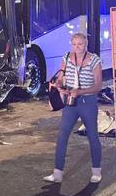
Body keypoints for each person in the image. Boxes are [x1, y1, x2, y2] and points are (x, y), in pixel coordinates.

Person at [44, 32, 104, 183]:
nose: (77, 47)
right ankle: (57, 173)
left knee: (92, 135)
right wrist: (59, 86)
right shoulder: (66, 57)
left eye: (81, 44)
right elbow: (61, 77)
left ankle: (96, 171)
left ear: (86, 44)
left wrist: (81, 91)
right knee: (62, 135)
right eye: (75, 44)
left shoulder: (94, 60)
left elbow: (98, 86)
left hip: (87, 102)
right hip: (70, 102)